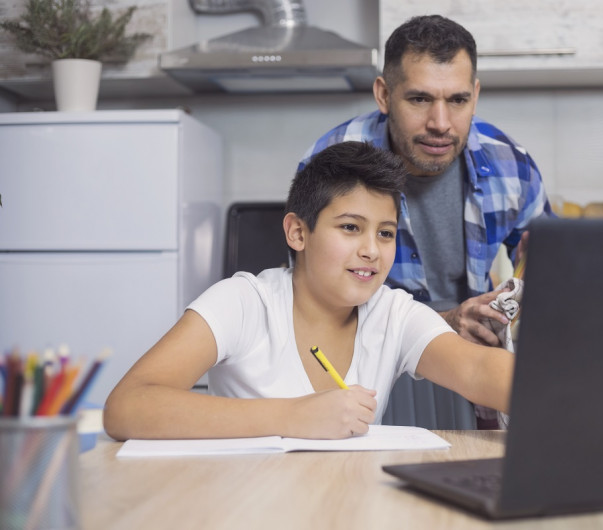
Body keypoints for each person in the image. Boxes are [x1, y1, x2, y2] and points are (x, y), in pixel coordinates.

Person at [103, 142, 513, 441]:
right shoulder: (243, 302)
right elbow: (127, 406)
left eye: (385, 233)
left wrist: (567, 394)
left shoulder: (393, 313)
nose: (371, 250)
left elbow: (478, 370)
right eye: (351, 227)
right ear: (298, 232)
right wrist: (292, 416)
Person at [298, 14, 554, 348]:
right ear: (384, 95)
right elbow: (315, 305)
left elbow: (550, 271)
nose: (440, 123)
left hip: (471, 358)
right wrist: (444, 322)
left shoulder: (511, 166)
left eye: (458, 100)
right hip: (366, 357)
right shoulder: (331, 166)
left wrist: (539, 268)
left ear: (475, 96)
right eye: (420, 99)